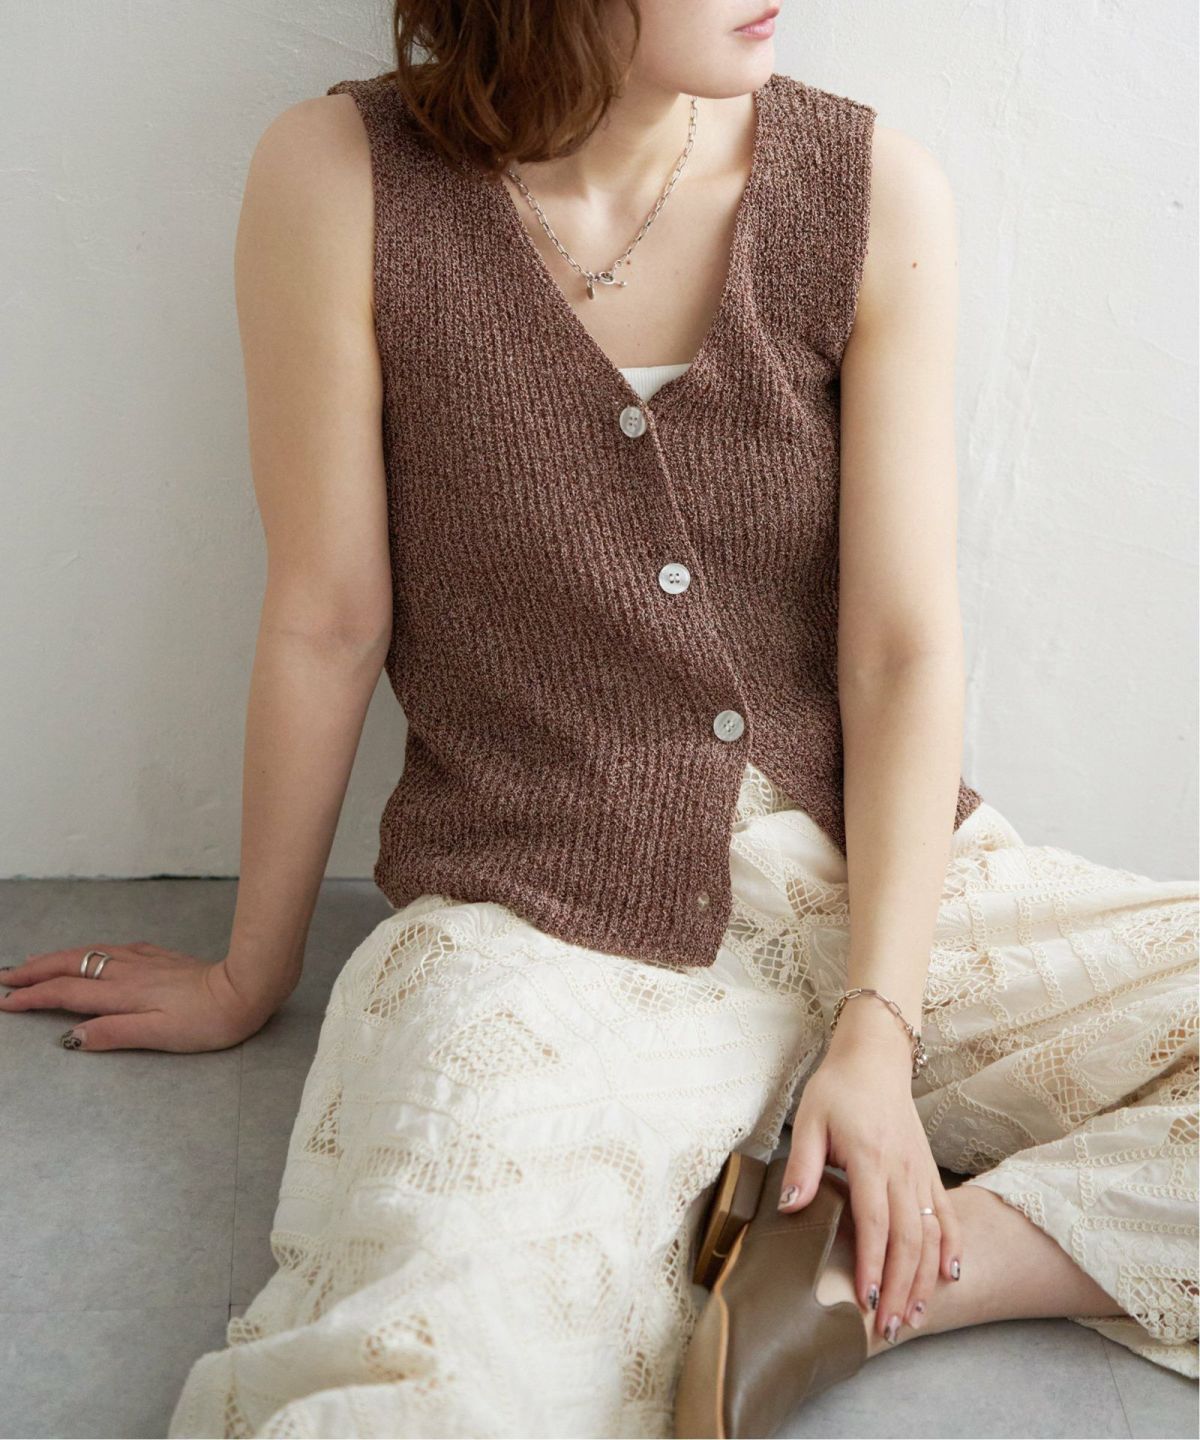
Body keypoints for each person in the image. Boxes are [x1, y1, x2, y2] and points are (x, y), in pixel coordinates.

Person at [3, 2, 1196, 1435]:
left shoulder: (871, 190)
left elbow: (897, 651)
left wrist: (878, 1029)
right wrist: (248, 973)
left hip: (887, 884)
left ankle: (858, 1283)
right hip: (536, 915)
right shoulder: (342, 178)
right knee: (440, 1352)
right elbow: (328, 615)